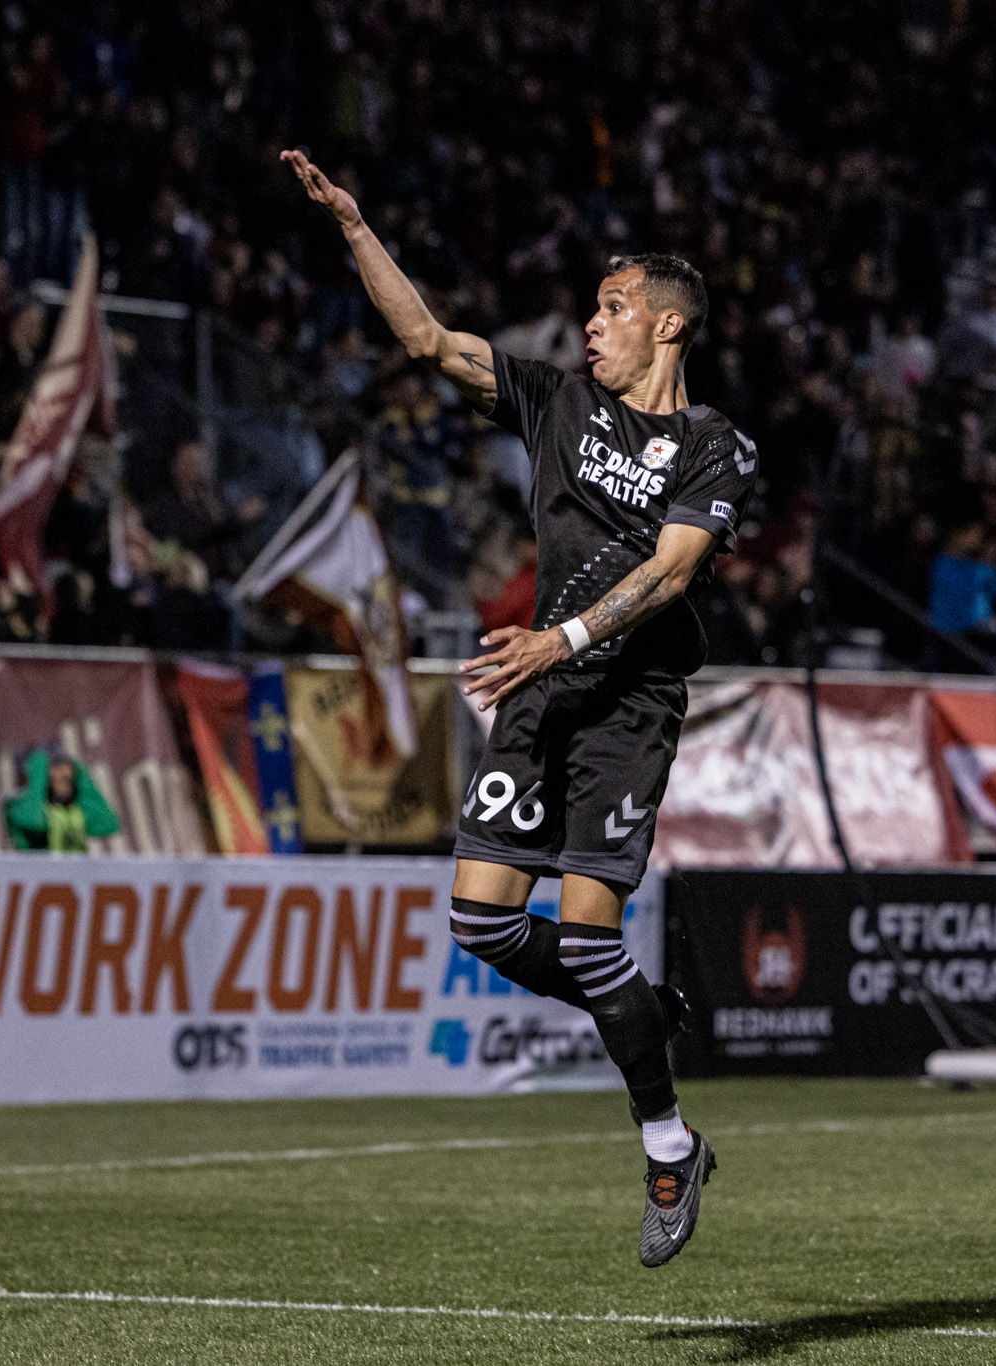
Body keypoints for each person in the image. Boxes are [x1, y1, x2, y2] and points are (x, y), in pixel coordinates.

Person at [286, 149, 756, 1267]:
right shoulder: (556, 401)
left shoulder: (713, 446)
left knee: (588, 932)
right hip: (541, 688)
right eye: (593, 308)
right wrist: (355, 227)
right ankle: (640, 1008)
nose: (592, 324)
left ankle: (664, 1142)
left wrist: (563, 636)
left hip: (627, 699)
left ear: (669, 327)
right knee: (481, 923)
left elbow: (673, 574)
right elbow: (427, 342)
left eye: (613, 308)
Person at [3, 746, 120, 852]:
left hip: (73, 874)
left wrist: (80, 772)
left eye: (69, 767)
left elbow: (107, 823)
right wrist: (38, 764)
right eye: (57, 767)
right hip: (40, 873)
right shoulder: (17, 807)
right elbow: (34, 822)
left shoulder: (73, 811)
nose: (66, 774)